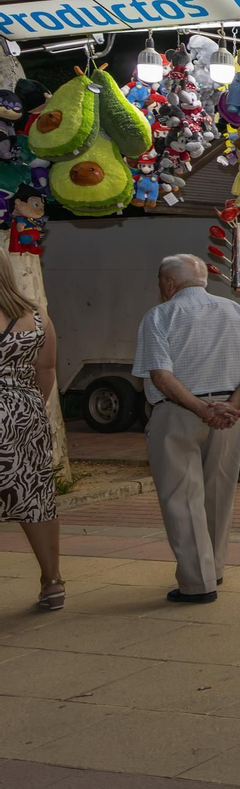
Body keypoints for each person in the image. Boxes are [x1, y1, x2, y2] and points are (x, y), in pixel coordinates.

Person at [132, 254, 240, 603]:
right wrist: (232, 405)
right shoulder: (236, 312)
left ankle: (197, 582)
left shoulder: (160, 315)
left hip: (179, 412)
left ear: (168, 283)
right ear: (204, 280)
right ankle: (215, 569)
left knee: (182, 497)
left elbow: (161, 377)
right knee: (218, 494)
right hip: (228, 416)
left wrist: (200, 409)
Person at [0, 250, 61, 609]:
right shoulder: (37, 316)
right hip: (24, 412)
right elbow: (47, 369)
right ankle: (52, 580)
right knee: (34, 496)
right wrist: (25, 408)